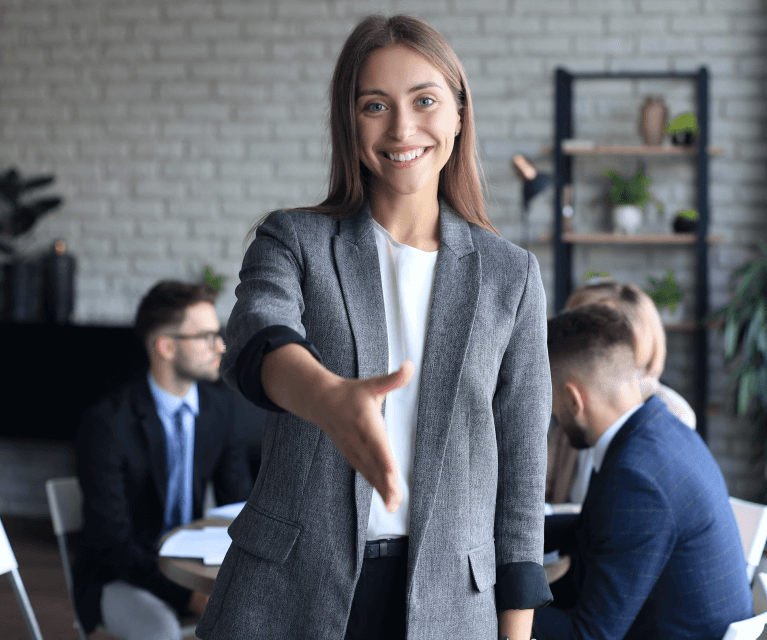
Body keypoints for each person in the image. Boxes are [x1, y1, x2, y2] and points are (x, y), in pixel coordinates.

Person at [195, 14, 552, 640]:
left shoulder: (511, 276)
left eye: (425, 101)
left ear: (459, 113)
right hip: (288, 594)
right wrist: (326, 399)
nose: (402, 128)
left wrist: (516, 631)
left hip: (450, 604)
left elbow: (522, 472)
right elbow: (257, 331)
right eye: (375, 106)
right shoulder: (294, 239)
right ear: (349, 122)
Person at [534, 304, 752, 639]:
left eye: (550, 400)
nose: (553, 415)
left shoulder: (636, 477)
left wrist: (490, 609)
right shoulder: (661, 429)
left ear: (574, 399)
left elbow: (589, 635)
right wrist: (515, 533)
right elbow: (596, 529)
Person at [74, 281, 253, 640]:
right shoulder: (107, 423)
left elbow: (238, 504)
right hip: (120, 576)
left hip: (190, 564)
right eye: (206, 337)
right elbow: (111, 543)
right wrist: (187, 595)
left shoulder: (220, 410)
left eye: (218, 334)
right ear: (166, 346)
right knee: (160, 632)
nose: (221, 346)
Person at [545, 280, 695, 506]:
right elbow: (545, 489)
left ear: (628, 339)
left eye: (582, 328)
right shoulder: (575, 408)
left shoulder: (671, 415)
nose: (565, 342)